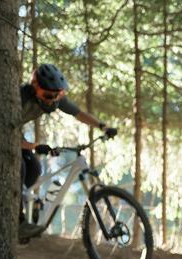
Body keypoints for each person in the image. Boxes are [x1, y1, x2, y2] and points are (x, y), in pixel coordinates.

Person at [19, 63, 118, 238]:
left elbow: (79, 114)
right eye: (48, 95)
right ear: (35, 87)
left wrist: (102, 126)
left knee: (35, 169)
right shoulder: (21, 98)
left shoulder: (55, 99)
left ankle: (26, 202)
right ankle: (19, 222)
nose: (53, 99)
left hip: (18, 137)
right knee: (20, 168)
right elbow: (3, 132)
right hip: (6, 135)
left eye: (58, 95)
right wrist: (34, 146)